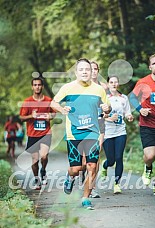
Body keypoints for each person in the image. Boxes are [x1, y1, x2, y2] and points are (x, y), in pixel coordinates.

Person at [51, 58, 110, 209]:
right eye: (81, 70)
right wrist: (62, 109)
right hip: (74, 133)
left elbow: (107, 107)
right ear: (76, 72)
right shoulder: (68, 88)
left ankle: (85, 198)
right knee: (76, 169)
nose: (85, 72)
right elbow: (53, 103)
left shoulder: (99, 89)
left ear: (92, 72)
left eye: (87, 69)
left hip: (92, 132)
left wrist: (106, 109)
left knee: (92, 166)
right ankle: (70, 177)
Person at [130, 54, 155, 196]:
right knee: (150, 156)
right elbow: (132, 98)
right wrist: (140, 109)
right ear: (150, 67)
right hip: (147, 125)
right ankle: (148, 167)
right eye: (154, 63)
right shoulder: (143, 82)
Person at [20, 77, 56, 190]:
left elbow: (54, 113)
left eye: (39, 85)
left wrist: (50, 116)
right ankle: (37, 178)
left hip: (45, 133)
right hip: (32, 134)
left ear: (42, 86)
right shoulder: (27, 102)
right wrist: (32, 116)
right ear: (32, 87)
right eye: (35, 85)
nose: (37, 87)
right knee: (34, 160)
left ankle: (43, 170)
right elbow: (21, 118)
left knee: (44, 156)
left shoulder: (48, 100)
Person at [100, 76, 134, 193]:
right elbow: (99, 116)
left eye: (116, 82)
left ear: (118, 84)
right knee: (111, 160)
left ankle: (116, 184)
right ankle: (105, 166)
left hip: (120, 132)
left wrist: (129, 116)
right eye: (111, 82)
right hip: (107, 133)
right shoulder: (104, 98)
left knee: (119, 157)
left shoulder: (123, 98)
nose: (114, 84)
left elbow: (127, 112)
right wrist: (109, 118)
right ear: (108, 84)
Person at [82, 61, 108, 198]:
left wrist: (107, 112)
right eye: (90, 69)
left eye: (95, 69)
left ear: (98, 71)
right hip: (86, 124)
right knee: (85, 160)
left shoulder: (103, 87)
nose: (93, 72)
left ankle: (92, 187)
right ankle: (84, 177)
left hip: (100, 124)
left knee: (95, 157)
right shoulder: (83, 87)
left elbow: (107, 106)